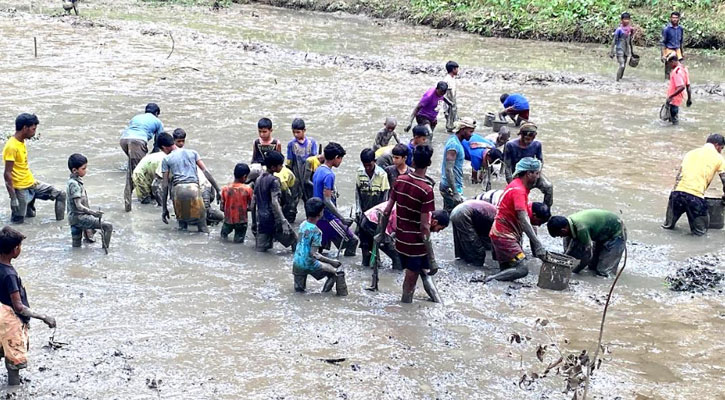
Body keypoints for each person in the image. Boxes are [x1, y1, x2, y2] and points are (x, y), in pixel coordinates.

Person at [381, 145, 442, 303]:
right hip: (415, 245)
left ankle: (437, 301)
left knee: (420, 274)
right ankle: (405, 308)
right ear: (428, 163)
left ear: (412, 161)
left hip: (400, 240)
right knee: (411, 282)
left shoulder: (400, 180)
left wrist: (381, 234)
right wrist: (432, 257)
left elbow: (386, 211)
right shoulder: (426, 190)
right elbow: (425, 227)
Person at [0, 226, 56, 386]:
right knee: (13, 361)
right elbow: (18, 306)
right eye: (20, 246)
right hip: (9, 320)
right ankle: (13, 390)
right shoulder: (9, 275)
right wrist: (44, 317)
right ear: (15, 249)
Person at [485, 158, 548, 283]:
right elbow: (524, 219)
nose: (538, 177)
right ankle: (490, 280)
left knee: (508, 270)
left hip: (500, 233)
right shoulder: (519, 191)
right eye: (537, 173)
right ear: (528, 173)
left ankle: (497, 280)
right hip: (504, 236)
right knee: (522, 269)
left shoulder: (517, 185)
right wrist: (537, 244)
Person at [3, 113, 65, 223]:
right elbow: (7, 174)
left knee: (60, 194)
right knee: (18, 222)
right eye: (33, 129)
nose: (34, 132)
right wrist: (13, 198)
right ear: (25, 128)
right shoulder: (11, 146)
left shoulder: (21, 142)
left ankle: (59, 225)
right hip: (20, 189)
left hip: (31, 183)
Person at [451, 200, 549, 266]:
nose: (539, 225)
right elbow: (502, 236)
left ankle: (461, 264)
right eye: (540, 222)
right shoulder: (520, 216)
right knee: (478, 255)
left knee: (467, 246)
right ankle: (468, 270)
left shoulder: (521, 208)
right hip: (465, 213)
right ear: (535, 216)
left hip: (464, 210)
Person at [662, 134, 725, 236]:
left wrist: (674, 195)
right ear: (717, 145)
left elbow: (679, 175)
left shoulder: (690, 153)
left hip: (676, 194)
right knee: (700, 233)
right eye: (721, 148)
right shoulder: (719, 158)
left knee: (668, 227)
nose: (721, 151)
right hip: (695, 198)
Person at [160, 133, 221, 233]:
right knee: (202, 227)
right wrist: (218, 190)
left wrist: (164, 208)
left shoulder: (166, 159)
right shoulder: (193, 153)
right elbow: (206, 172)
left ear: (164, 148)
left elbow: (165, 185)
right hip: (194, 190)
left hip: (178, 192)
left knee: (182, 227)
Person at [360, 201, 449, 270]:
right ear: (435, 222)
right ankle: (394, 280)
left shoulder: (422, 212)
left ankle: (365, 278)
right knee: (398, 258)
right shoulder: (423, 220)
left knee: (367, 259)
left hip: (366, 218)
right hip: (375, 222)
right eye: (439, 229)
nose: (437, 232)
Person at [548, 210, 625, 277]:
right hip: (601, 233)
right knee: (592, 267)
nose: (561, 237)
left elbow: (588, 256)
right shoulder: (567, 224)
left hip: (616, 233)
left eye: (560, 235)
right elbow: (568, 252)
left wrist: (575, 271)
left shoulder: (581, 229)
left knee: (604, 272)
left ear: (563, 230)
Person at [293, 197, 345, 295]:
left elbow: (299, 243)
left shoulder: (302, 225)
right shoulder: (317, 232)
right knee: (334, 273)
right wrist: (332, 262)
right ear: (321, 213)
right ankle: (324, 294)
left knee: (299, 291)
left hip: (297, 262)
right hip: (309, 263)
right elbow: (315, 255)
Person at [313, 143, 359, 255]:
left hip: (317, 215)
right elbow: (327, 200)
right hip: (327, 217)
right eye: (341, 158)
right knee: (353, 240)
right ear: (336, 157)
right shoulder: (329, 175)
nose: (340, 161)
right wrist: (342, 218)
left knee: (319, 247)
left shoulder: (318, 170)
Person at [171, 128, 224, 225]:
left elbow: (169, 183)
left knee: (199, 215)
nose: (181, 144)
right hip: (199, 187)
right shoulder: (190, 153)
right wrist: (218, 189)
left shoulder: (171, 157)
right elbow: (205, 171)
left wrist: (217, 189)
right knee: (200, 215)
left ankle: (221, 219)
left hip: (199, 187)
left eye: (183, 141)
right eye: (179, 141)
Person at [120, 103, 163, 211]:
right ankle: (143, 197)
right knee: (139, 171)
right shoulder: (157, 121)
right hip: (138, 141)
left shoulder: (136, 117)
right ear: (157, 113)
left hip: (124, 140)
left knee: (136, 165)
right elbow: (159, 141)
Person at [66, 154, 113, 249]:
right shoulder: (74, 185)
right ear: (75, 170)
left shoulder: (71, 181)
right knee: (108, 226)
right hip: (79, 217)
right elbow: (78, 205)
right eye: (83, 168)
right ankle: (105, 250)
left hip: (73, 218)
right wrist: (94, 213)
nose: (85, 171)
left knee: (76, 246)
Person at [253, 151, 297, 252]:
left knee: (261, 249)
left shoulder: (258, 179)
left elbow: (253, 203)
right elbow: (275, 201)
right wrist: (283, 221)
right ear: (273, 167)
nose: (282, 167)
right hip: (274, 219)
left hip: (262, 219)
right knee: (295, 241)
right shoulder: (274, 181)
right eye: (280, 165)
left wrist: (254, 222)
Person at [503, 122, 553, 207]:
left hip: (533, 172)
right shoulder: (510, 145)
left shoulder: (537, 144)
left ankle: (545, 211)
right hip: (518, 174)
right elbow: (507, 166)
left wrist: (537, 174)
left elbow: (540, 161)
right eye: (526, 138)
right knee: (519, 195)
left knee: (548, 187)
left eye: (531, 139)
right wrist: (511, 182)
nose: (528, 141)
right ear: (521, 135)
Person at [440, 118, 475, 212]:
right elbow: (448, 169)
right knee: (456, 216)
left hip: (450, 185)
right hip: (450, 187)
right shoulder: (454, 145)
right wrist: (455, 192)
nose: (472, 135)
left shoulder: (455, 140)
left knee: (448, 214)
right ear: (463, 129)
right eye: (470, 131)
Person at [285, 118, 318, 209]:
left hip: (309, 174)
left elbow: (314, 159)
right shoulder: (291, 144)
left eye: (298, 132)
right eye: (294, 132)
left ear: (304, 130)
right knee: (295, 196)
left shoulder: (312, 143)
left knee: (310, 196)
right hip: (297, 175)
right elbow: (289, 161)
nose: (296, 134)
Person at [220, 163, 254, 243]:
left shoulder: (225, 189)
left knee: (223, 238)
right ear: (245, 176)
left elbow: (222, 208)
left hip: (228, 220)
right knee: (238, 242)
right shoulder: (248, 189)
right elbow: (252, 207)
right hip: (241, 221)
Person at [355, 148, 390, 219]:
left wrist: (381, 212)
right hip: (364, 208)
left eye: (369, 165)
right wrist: (358, 208)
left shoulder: (382, 175)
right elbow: (357, 192)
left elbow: (385, 196)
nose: (367, 168)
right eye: (365, 165)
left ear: (375, 161)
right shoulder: (359, 172)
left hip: (377, 209)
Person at [664, 53, 691, 125]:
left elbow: (681, 87)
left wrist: (670, 96)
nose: (669, 66)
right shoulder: (684, 69)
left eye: (669, 64)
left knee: (674, 122)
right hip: (678, 100)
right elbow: (688, 85)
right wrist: (689, 98)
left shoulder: (676, 72)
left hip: (673, 101)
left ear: (672, 61)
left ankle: (674, 135)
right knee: (673, 119)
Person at [609, 13, 635, 82]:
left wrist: (632, 51)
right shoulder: (619, 30)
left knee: (624, 65)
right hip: (619, 49)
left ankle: (620, 79)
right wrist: (612, 51)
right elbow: (614, 41)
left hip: (626, 49)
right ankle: (617, 81)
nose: (626, 21)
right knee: (622, 65)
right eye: (625, 19)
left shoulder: (630, 29)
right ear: (621, 20)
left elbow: (630, 41)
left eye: (628, 19)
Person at [660, 11, 684, 80]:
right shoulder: (666, 29)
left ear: (679, 19)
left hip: (678, 50)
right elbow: (663, 43)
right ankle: (667, 84)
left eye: (676, 18)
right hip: (669, 50)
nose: (674, 19)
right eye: (673, 18)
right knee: (668, 70)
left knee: (679, 69)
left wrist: (682, 53)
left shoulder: (680, 29)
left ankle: (676, 84)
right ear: (670, 18)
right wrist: (663, 55)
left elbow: (681, 41)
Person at [443, 61, 459, 133]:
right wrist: (452, 104)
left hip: (452, 101)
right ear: (453, 69)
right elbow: (449, 94)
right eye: (456, 69)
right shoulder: (447, 79)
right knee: (450, 121)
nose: (457, 70)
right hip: (449, 102)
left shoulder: (452, 78)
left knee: (452, 119)